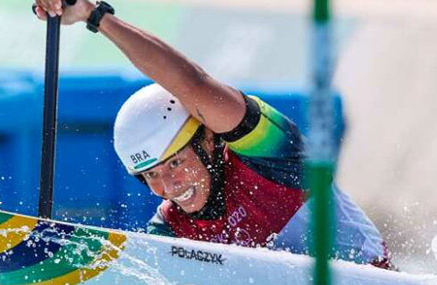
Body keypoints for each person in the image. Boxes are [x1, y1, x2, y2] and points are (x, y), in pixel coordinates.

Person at [32, 0, 394, 269]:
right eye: (151, 175)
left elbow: (192, 83)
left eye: (174, 163)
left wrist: (94, 16)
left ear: (207, 139)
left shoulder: (274, 158)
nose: (169, 187)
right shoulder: (172, 228)